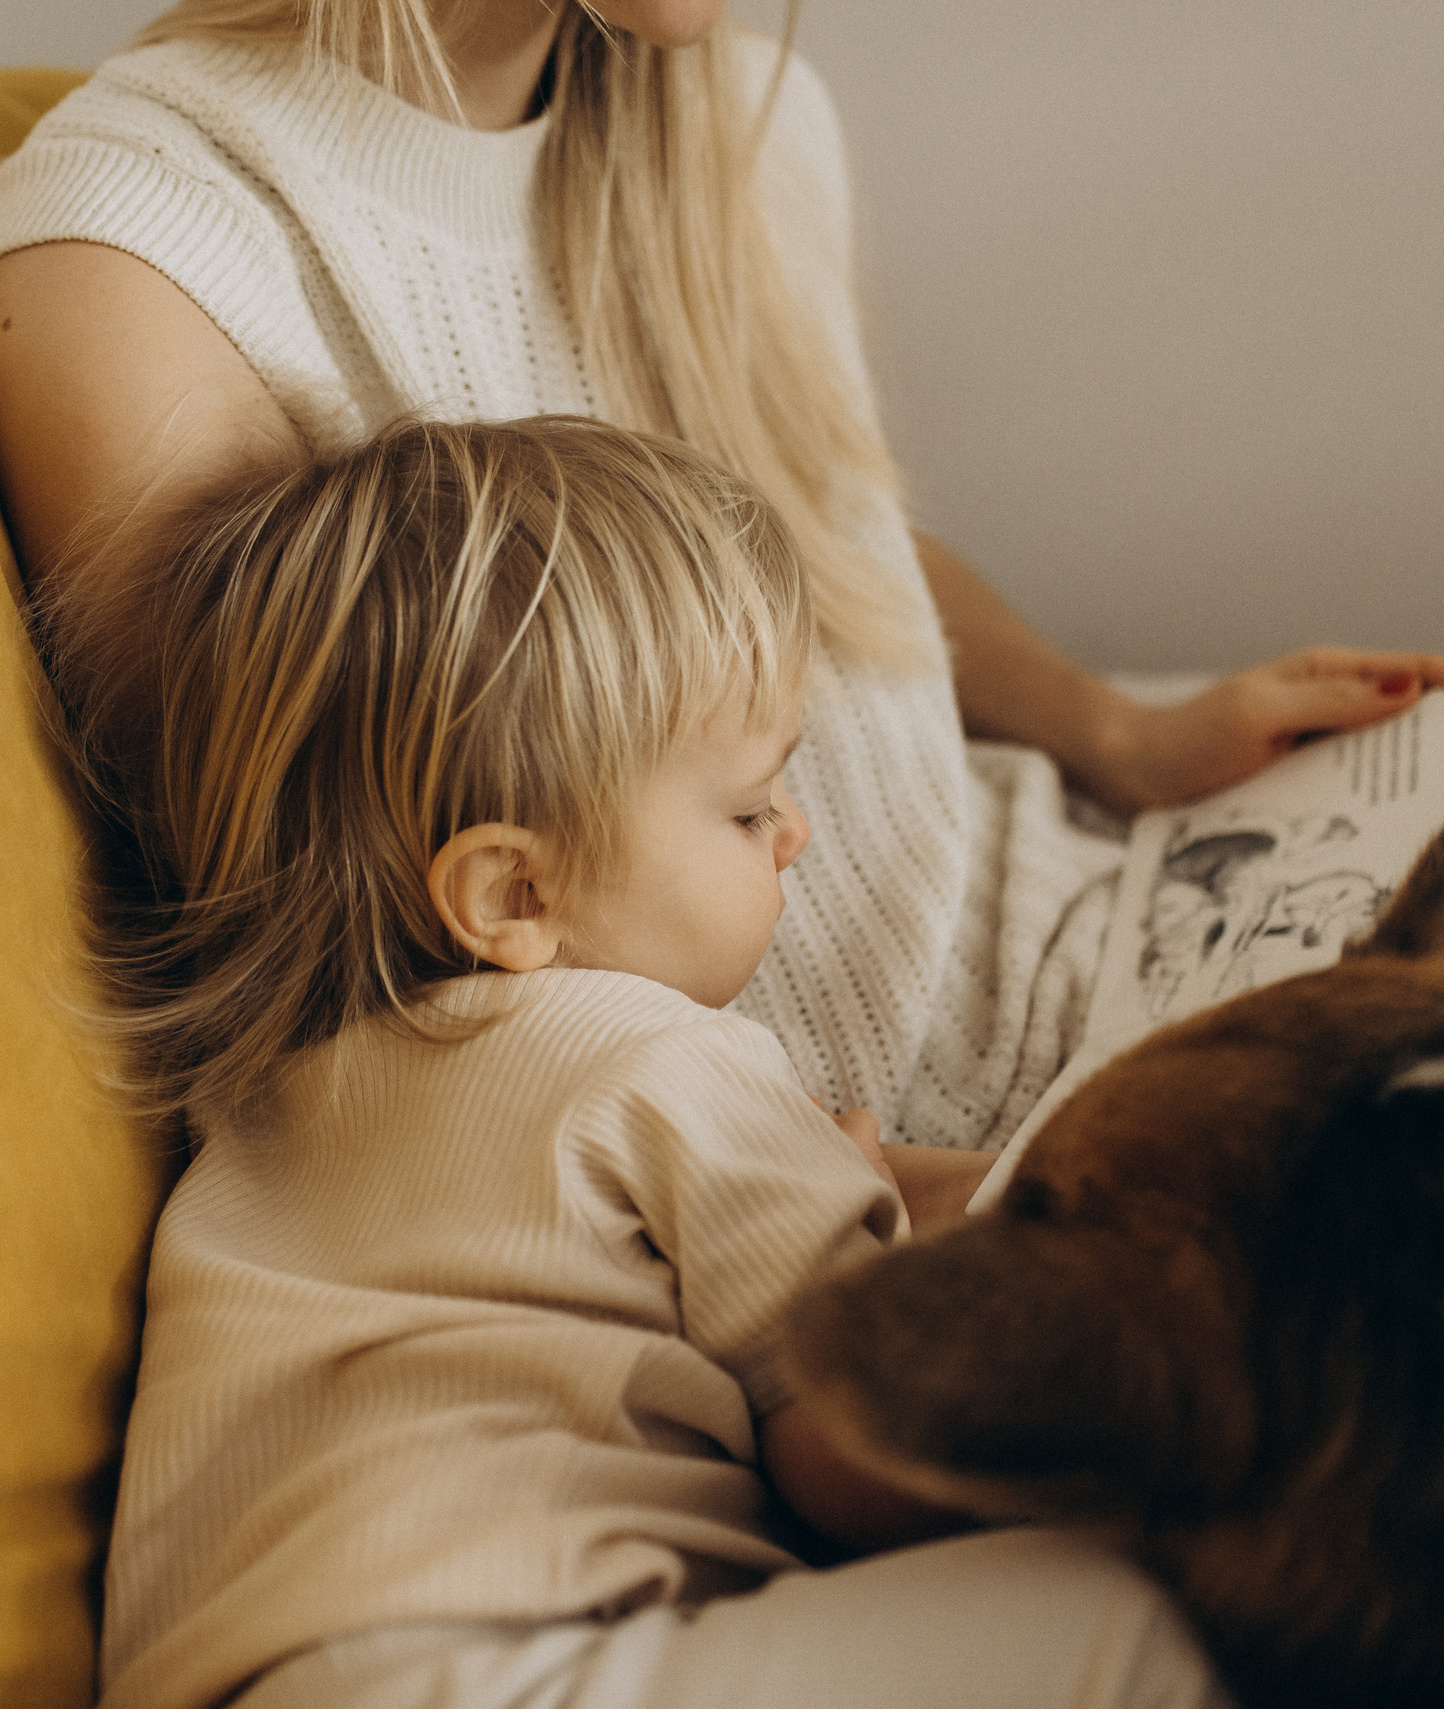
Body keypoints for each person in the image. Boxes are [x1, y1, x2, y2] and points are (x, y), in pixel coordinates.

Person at [0, 0, 1444, 1160]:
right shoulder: (135, 249)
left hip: (1084, 939)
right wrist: (837, 1195)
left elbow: (829, 541)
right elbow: (309, 963)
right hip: (812, 1179)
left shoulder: (748, 125)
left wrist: (1117, 732)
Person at [68, 413, 1227, 1709]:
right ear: (513, 893)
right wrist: (876, 1237)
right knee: (1135, 1631)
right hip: (507, 1670)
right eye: (744, 808)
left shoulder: (259, 1102)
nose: (791, 832)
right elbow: (863, 1462)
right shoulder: (668, 1059)